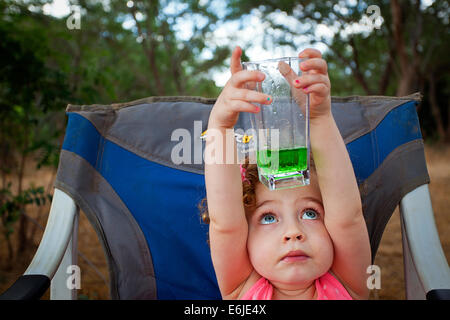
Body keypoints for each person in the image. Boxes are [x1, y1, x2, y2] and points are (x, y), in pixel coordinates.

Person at [199, 45, 371, 300]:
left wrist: (319, 118)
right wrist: (221, 127)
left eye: (311, 213)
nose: (293, 232)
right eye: (268, 218)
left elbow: (348, 217)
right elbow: (225, 224)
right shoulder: (242, 291)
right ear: (245, 240)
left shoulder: (348, 285)